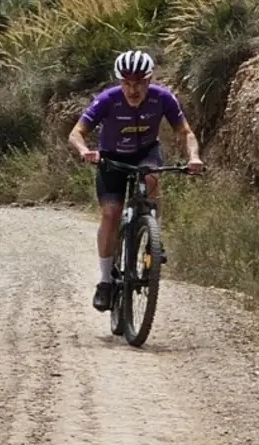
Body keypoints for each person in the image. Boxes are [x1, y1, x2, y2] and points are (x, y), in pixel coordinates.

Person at [67, 50, 204, 313]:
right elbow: (77, 132)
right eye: (127, 83)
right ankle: (106, 281)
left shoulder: (163, 98)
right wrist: (85, 151)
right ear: (120, 82)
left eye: (139, 82)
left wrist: (194, 156)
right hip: (112, 159)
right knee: (110, 214)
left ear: (149, 80)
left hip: (146, 153)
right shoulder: (107, 99)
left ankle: (154, 236)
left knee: (152, 177)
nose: (133, 90)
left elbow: (185, 132)